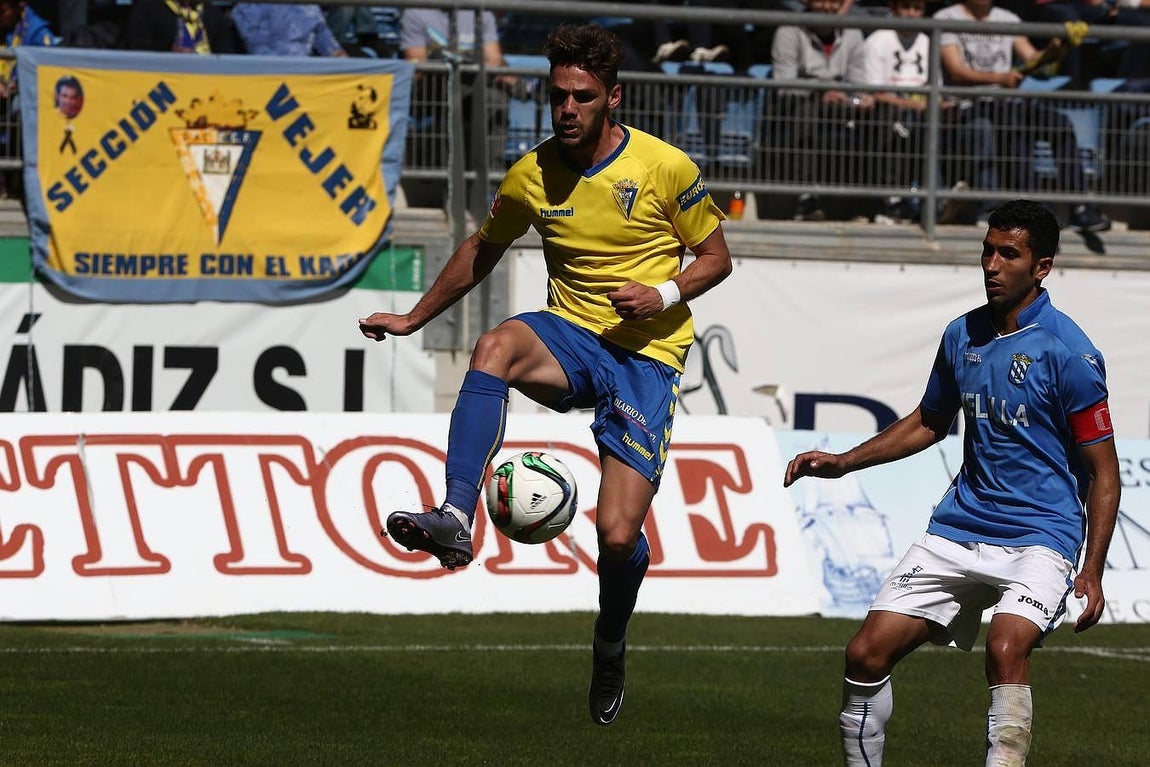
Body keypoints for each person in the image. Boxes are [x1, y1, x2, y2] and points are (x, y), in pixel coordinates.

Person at [359, 22, 732, 727]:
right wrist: (413, 318)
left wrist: (665, 293)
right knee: (495, 345)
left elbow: (717, 257)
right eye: (557, 94)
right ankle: (455, 516)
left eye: (582, 97)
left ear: (611, 97)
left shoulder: (665, 168)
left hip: (645, 358)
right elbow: (484, 245)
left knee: (617, 534)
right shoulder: (531, 173)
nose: (566, 109)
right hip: (572, 340)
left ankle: (610, 642)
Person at [782, 198, 1120, 766]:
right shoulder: (961, 334)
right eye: (987, 250)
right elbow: (929, 422)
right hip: (959, 527)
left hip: (1042, 537)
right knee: (864, 655)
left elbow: (1104, 475)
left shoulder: (1070, 353)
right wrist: (843, 462)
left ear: (1042, 267)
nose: (992, 264)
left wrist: (1092, 569)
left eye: (1009, 254)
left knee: (1005, 647)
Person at [935, 0, 1111, 233]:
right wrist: (1000, 79)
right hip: (970, 104)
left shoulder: (1007, 17)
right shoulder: (946, 17)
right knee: (1014, 124)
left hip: (1007, 104)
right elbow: (956, 72)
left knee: (1059, 123)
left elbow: (1033, 61)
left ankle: (1079, 206)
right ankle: (1035, 209)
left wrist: (1056, 49)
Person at [771, 0, 875, 221]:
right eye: (821, 0)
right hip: (800, 102)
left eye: (833, 1)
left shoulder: (853, 33)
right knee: (805, 112)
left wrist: (860, 99)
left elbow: (858, 81)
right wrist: (821, 91)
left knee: (881, 114)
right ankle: (806, 198)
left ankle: (881, 201)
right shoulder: (789, 30)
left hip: (840, 103)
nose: (827, 6)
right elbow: (785, 84)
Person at [860, 0, 934, 224]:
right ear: (894, 8)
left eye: (917, 8)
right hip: (886, 112)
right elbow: (875, 92)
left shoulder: (929, 40)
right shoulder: (877, 40)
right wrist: (912, 104)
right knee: (890, 117)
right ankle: (891, 201)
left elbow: (935, 88)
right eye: (906, 7)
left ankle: (932, 203)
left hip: (922, 111)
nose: (911, 14)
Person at [231, 2, 347, 57]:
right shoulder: (249, 6)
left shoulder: (310, 7)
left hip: (307, 71)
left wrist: (340, 58)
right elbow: (257, 48)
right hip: (265, 74)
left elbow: (327, 42)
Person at [123, 0, 239, 54]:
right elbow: (137, 54)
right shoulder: (147, 9)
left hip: (209, 85)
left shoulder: (212, 13)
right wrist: (169, 55)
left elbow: (227, 55)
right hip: (165, 83)